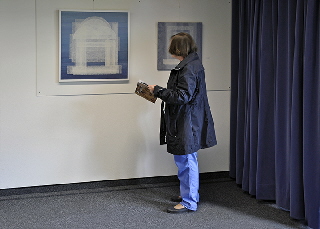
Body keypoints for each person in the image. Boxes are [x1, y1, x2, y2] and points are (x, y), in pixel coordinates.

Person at [148, 32, 217, 214]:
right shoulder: (191, 64)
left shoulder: (188, 68)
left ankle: (189, 202)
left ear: (177, 48)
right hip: (187, 119)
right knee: (185, 159)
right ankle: (188, 194)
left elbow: (182, 96)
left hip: (187, 120)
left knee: (187, 160)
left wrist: (158, 91)